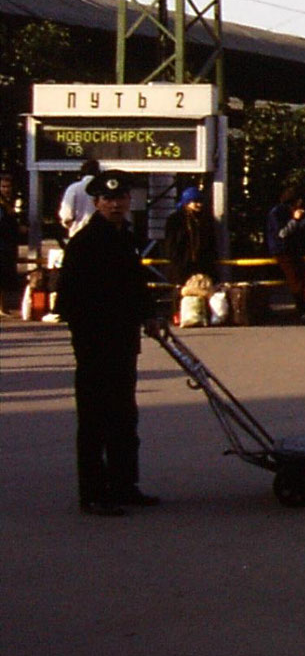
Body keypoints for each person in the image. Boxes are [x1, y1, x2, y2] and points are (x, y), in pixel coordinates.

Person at [57, 171, 158, 516]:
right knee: (95, 420)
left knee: (124, 417)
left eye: (121, 199)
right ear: (97, 203)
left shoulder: (123, 237)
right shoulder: (86, 243)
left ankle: (124, 485)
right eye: (108, 200)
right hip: (96, 346)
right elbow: (68, 301)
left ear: (129, 201)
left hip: (122, 343)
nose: (115, 205)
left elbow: (134, 285)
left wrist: (150, 314)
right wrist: (90, 340)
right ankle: (94, 493)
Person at [265, 188, 305, 323]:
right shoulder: (278, 212)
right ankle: (304, 310)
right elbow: (282, 233)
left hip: (294, 249)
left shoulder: (290, 212)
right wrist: (295, 220)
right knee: (296, 280)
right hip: (282, 250)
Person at [162, 186, 216, 290]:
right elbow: (170, 243)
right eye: (195, 201)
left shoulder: (205, 219)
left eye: (200, 201)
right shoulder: (175, 220)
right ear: (187, 202)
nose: (199, 205)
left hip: (201, 266)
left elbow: (210, 243)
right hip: (182, 267)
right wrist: (176, 262)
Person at [58, 158, 99, 241]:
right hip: (99, 235)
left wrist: (70, 225)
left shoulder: (73, 188)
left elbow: (67, 214)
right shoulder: (102, 188)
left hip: (77, 234)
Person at [0, 171, 24, 314]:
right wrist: (17, 227)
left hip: (7, 246)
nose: (6, 189)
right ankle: (2, 307)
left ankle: (3, 307)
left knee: (5, 276)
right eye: (3, 186)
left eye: (8, 186)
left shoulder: (9, 204)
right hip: (2, 245)